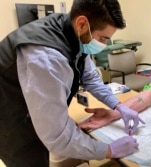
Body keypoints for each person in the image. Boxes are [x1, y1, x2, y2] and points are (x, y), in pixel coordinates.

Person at [0, 0, 143, 166]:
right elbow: (57, 138)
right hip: (11, 122)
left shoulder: (73, 32)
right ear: (82, 23)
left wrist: (119, 106)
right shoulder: (46, 58)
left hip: (33, 111)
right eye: (103, 38)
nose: (104, 46)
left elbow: (89, 77)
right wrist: (109, 150)